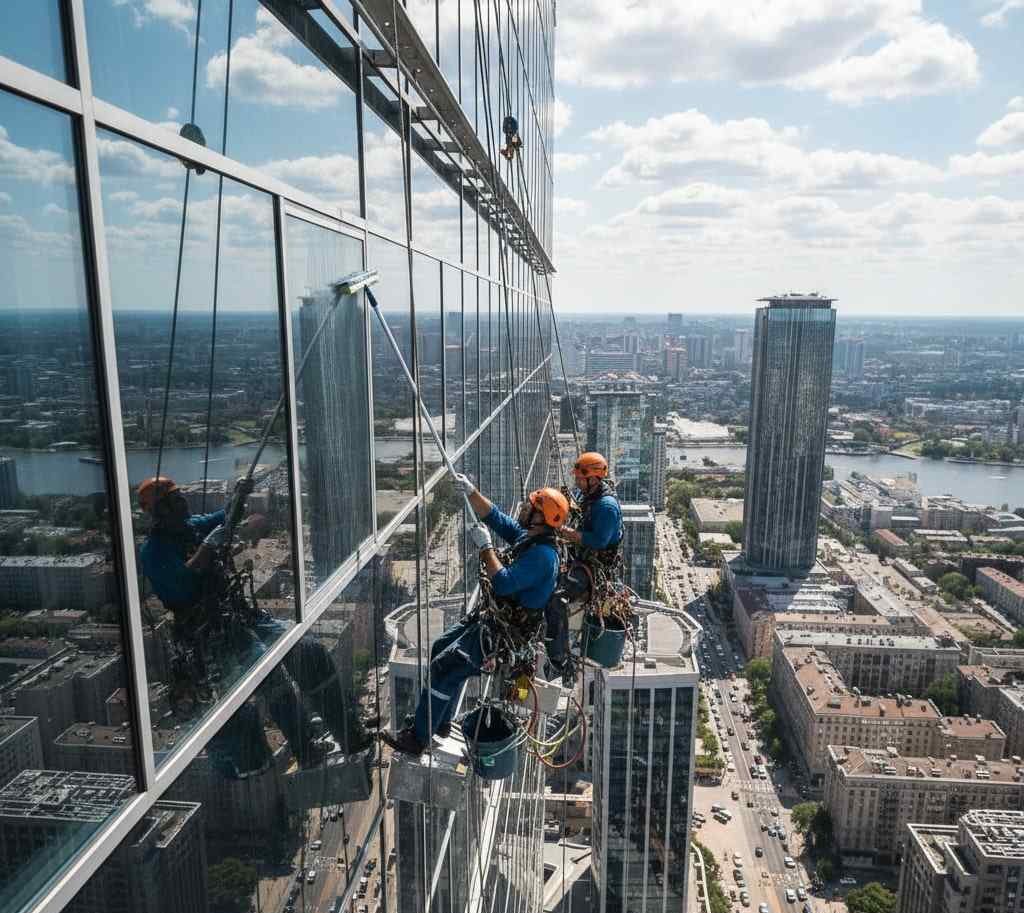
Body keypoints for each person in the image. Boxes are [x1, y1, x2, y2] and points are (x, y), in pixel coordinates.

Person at [381, 479, 567, 756]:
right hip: (492, 622)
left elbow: (503, 583)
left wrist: (486, 548)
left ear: (541, 517)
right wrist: (472, 492)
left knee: (446, 670)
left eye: (532, 507)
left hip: (502, 635)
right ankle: (440, 721)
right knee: (439, 648)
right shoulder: (534, 540)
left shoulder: (542, 556)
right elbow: (497, 519)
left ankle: (417, 739)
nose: (526, 509)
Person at [138, 475, 258, 627]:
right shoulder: (153, 551)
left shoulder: (190, 526)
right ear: (162, 509)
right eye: (176, 500)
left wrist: (240, 495)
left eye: (181, 497)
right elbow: (182, 581)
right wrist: (207, 546)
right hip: (198, 625)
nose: (184, 503)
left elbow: (227, 516)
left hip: (224, 610)